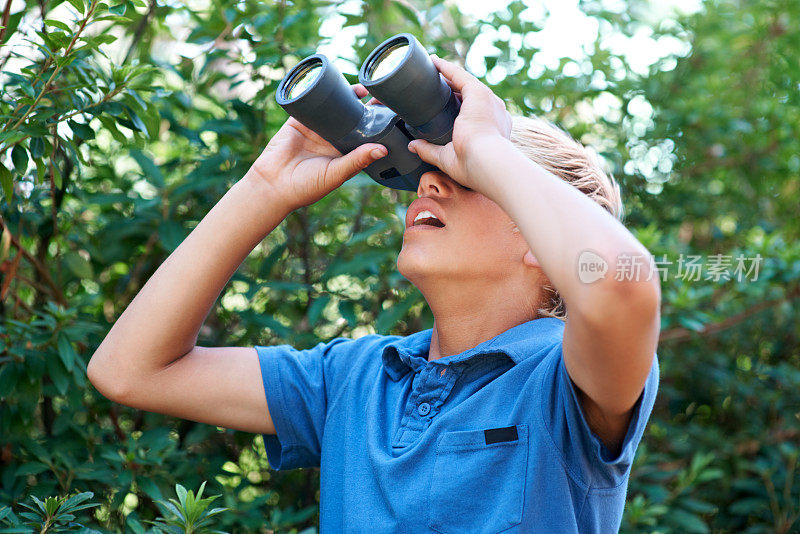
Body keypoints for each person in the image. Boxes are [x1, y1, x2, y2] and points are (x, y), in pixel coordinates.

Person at [88, 54, 660, 533]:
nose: (429, 182)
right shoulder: (354, 377)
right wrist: (264, 189)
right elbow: (131, 371)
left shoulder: (563, 382)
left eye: (468, 178)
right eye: (426, 167)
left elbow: (622, 284)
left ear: (541, 236)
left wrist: (486, 145)